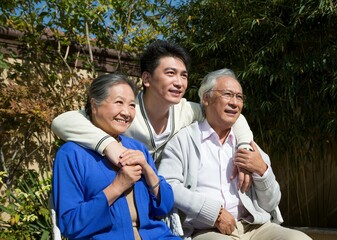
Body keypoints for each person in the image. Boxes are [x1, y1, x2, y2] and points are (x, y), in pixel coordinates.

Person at [51, 40, 254, 192]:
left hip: (166, 199)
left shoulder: (188, 111)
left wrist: (243, 149)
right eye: (170, 73)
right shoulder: (125, 112)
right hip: (125, 195)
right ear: (147, 78)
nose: (179, 82)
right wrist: (109, 145)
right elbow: (61, 122)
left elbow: (231, 116)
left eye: (183, 75)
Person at [158, 68, 312, 240]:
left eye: (239, 97)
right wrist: (213, 213)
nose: (235, 102)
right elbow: (168, 186)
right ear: (206, 99)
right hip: (207, 231)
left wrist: (262, 170)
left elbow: (271, 203)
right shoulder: (183, 140)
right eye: (228, 94)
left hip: (254, 227)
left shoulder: (249, 146)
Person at [52, 73, 180, 239]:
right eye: (118, 102)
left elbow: (165, 207)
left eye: (132, 105)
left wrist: (148, 170)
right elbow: (70, 224)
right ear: (94, 105)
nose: (126, 112)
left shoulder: (136, 148)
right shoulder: (71, 154)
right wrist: (117, 186)